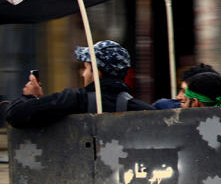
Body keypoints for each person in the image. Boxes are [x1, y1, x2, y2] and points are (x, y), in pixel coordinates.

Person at [5, 40, 153, 128]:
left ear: (97, 72)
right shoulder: (142, 111)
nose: (83, 74)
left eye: (86, 68)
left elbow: (15, 114)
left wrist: (30, 98)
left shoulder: (73, 100)